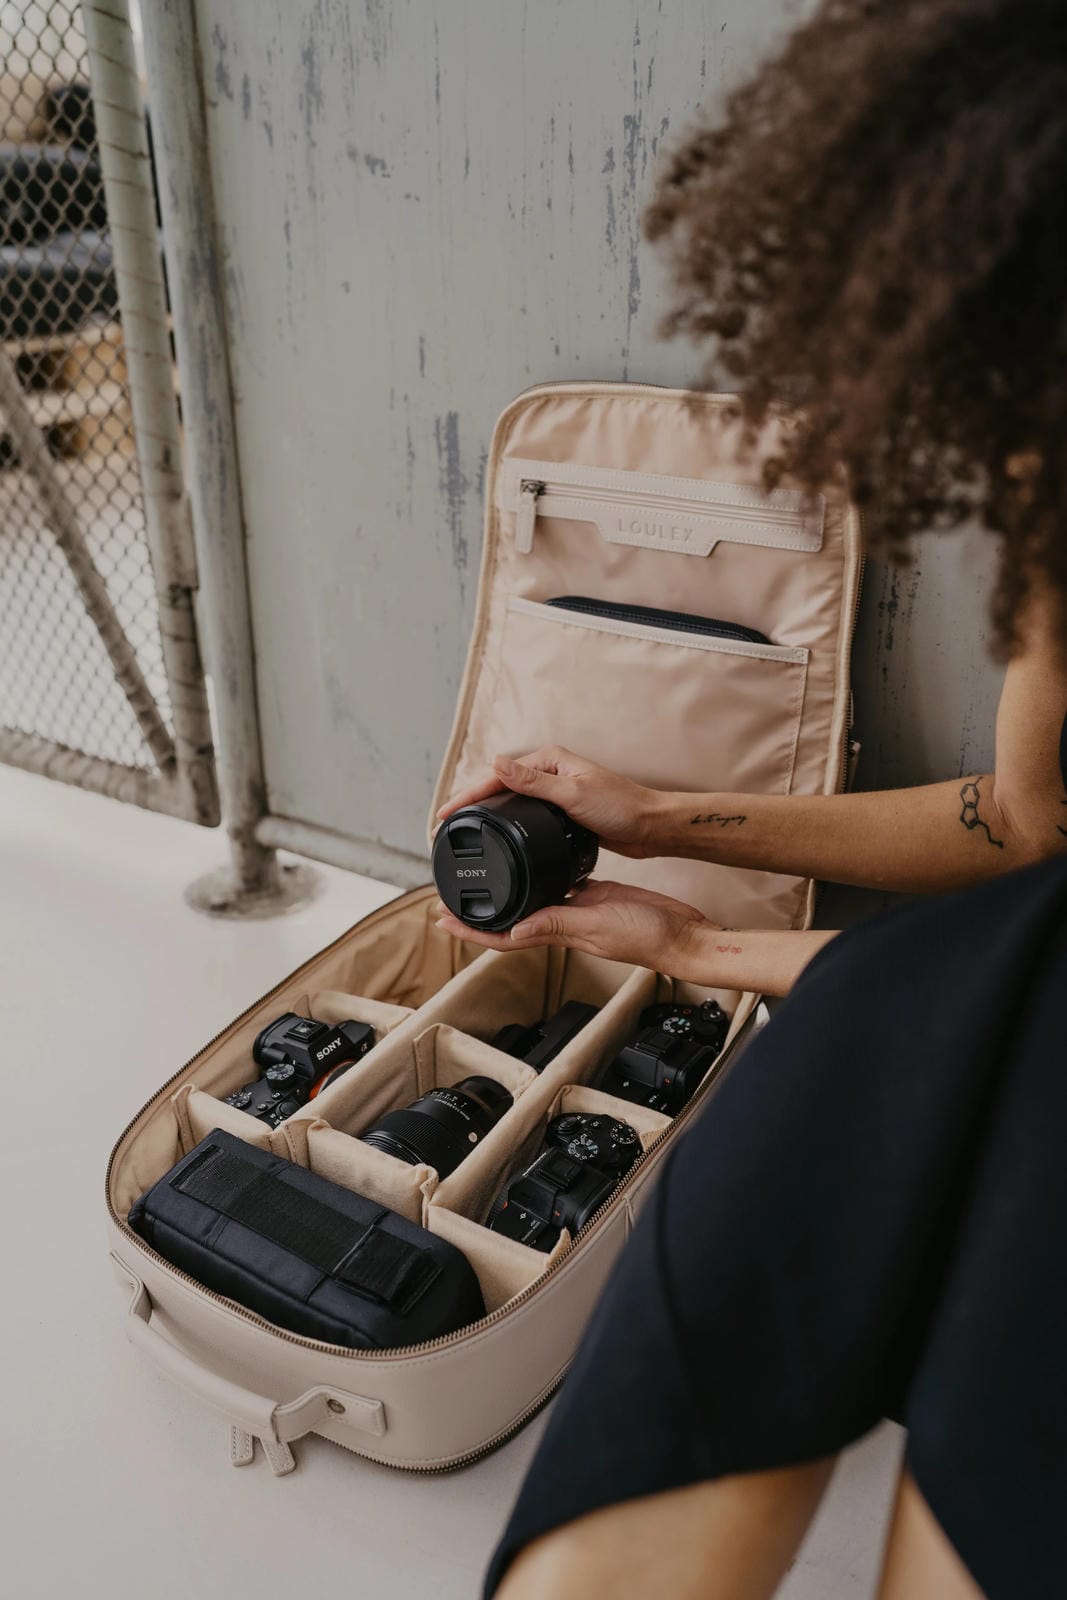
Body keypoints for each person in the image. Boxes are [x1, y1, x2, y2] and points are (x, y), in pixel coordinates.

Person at [433, 4, 1067, 1597]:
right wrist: (666, 844)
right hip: (1007, 990)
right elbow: (1026, 832)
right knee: (772, 1171)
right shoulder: (1058, 512)